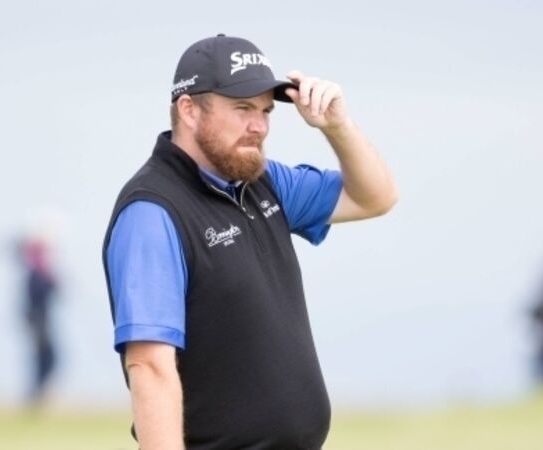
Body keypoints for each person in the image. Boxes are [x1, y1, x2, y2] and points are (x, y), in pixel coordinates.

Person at [101, 34, 398, 449]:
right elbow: (149, 366)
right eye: (242, 108)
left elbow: (375, 197)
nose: (259, 126)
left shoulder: (262, 182)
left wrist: (338, 127)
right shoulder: (153, 212)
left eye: (265, 111)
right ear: (189, 110)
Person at [15, 236, 58, 407]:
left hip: (41, 320)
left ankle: (37, 394)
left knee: (47, 358)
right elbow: (40, 294)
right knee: (45, 358)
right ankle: (35, 396)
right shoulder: (34, 275)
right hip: (37, 321)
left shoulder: (39, 273)